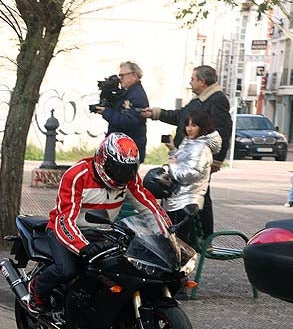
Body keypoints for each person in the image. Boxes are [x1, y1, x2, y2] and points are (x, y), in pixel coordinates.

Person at [27, 133, 171, 314]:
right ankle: (36, 290)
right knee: (67, 270)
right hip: (65, 231)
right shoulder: (77, 176)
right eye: (118, 169)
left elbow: (148, 205)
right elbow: (65, 220)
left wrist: (167, 232)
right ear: (103, 160)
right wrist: (82, 247)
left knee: (123, 269)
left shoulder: (129, 179)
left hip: (103, 231)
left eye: (128, 170)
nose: (123, 176)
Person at [141, 65, 232, 238]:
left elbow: (223, 130)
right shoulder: (198, 100)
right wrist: (156, 113)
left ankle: (204, 237)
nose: (190, 82)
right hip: (186, 155)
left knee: (200, 195)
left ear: (202, 82)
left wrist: (217, 161)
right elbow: (180, 116)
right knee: (186, 193)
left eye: (192, 79)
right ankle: (190, 233)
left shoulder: (217, 100)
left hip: (199, 158)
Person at [159, 111, 221, 244]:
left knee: (178, 242)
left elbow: (191, 174)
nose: (189, 128)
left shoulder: (201, 147)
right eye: (187, 125)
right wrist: (172, 150)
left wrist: (170, 168)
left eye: (194, 125)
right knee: (171, 240)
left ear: (202, 126)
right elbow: (181, 164)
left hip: (186, 200)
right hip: (178, 198)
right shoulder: (190, 142)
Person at [95, 61, 149, 161]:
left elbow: (129, 121)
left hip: (129, 150)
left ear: (134, 75)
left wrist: (106, 112)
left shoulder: (137, 96)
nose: (120, 79)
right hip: (122, 147)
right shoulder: (127, 92)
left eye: (122, 75)